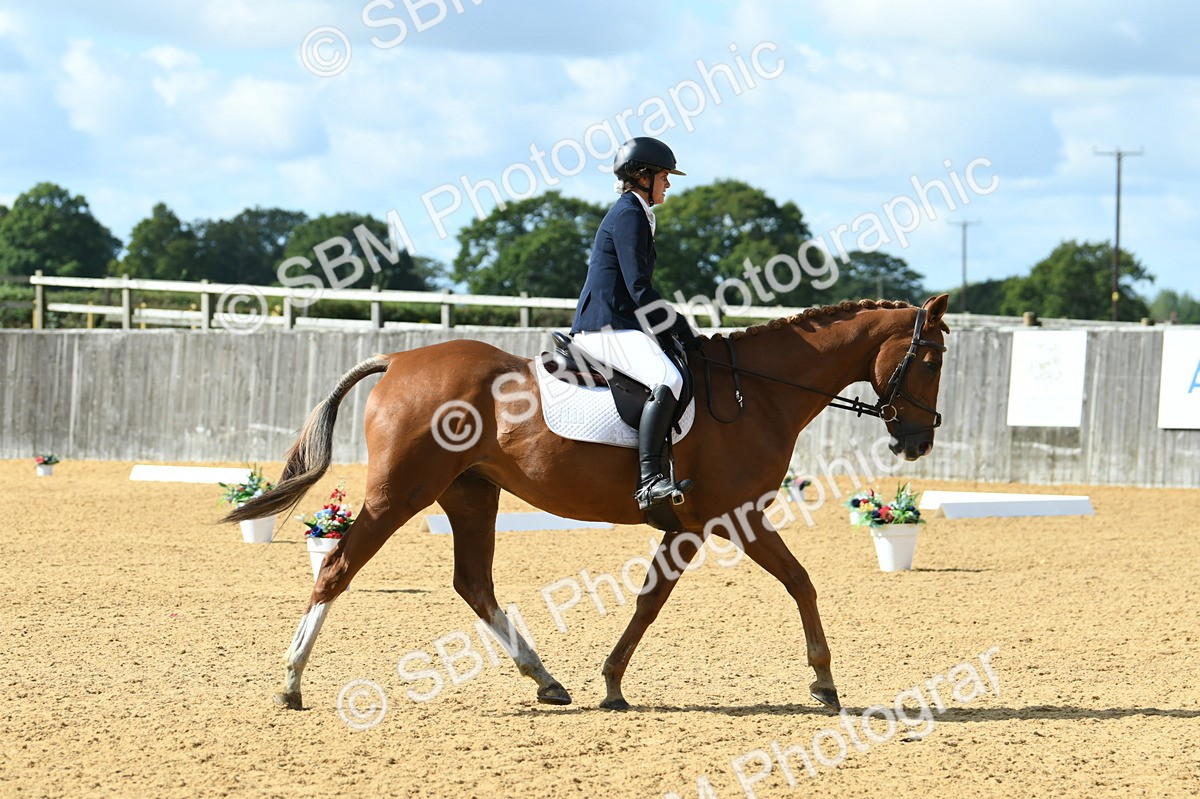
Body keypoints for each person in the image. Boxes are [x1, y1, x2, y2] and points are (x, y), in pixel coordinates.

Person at [570, 137, 701, 510]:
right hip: (607, 325)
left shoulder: (637, 211)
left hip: (620, 322)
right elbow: (638, 287)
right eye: (664, 176)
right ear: (642, 176)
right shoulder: (629, 214)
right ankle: (650, 480)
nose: (668, 184)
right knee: (668, 379)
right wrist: (676, 325)